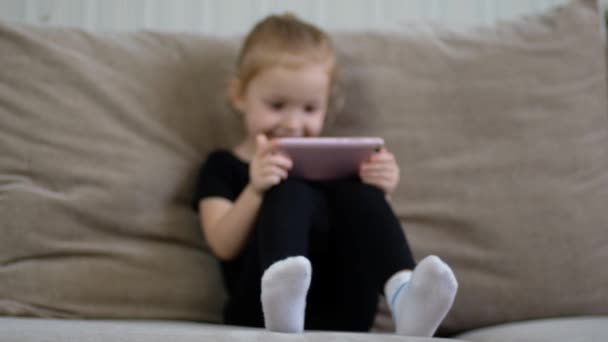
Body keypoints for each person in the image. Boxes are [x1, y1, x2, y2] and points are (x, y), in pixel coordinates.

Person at [193, 13, 458, 336]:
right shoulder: (223, 165)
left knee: (361, 194)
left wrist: (381, 190)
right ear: (239, 96)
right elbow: (222, 244)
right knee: (290, 189)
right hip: (258, 310)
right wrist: (255, 190)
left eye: (309, 109)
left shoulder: (339, 164)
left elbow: (362, 231)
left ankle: (404, 294)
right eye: (277, 105)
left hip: (345, 309)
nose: (292, 123)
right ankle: (282, 299)